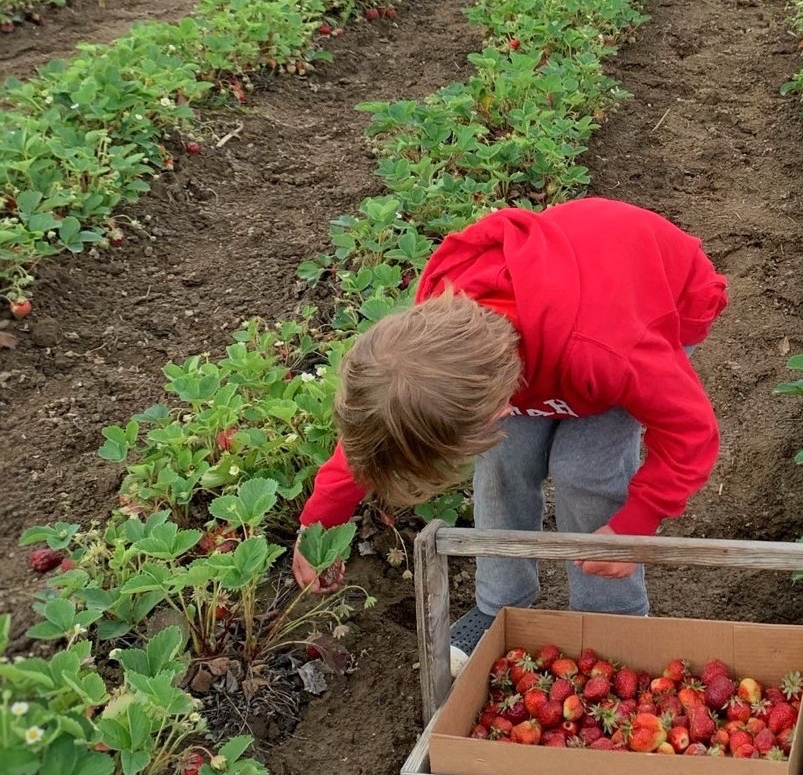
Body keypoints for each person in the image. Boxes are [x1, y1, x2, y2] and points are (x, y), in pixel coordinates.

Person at [292, 198, 728, 671]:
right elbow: (379, 432)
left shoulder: (611, 353)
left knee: (584, 468)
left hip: (653, 301)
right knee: (503, 461)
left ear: (502, 405)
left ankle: (613, 617)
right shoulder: (431, 345)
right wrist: (321, 523)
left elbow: (690, 429)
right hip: (553, 331)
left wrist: (637, 522)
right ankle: (500, 606)